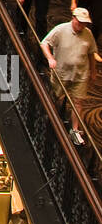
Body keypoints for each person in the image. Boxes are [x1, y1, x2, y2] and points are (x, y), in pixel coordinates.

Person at [41, 8, 98, 144]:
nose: (82, 25)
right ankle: (51, 121)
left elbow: (91, 53)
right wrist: (50, 58)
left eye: (84, 23)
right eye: (80, 22)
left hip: (80, 74)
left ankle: (75, 130)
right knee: (56, 97)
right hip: (62, 73)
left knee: (78, 102)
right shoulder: (60, 30)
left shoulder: (88, 33)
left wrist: (93, 70)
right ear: (73, 18)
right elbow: (44, 43)